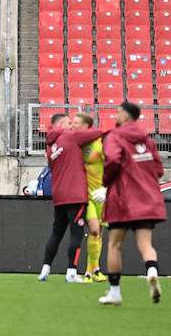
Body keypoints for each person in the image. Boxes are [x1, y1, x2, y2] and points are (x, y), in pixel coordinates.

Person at [95, 101, 165, 306]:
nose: (116, 116)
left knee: (115, 245)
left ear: (125, 116)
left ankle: (115, 292)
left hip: (122, 198)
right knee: (146, 244)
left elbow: (113, 160)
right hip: (145, 198)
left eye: (118, 113)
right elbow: (159, 170)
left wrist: (106, 182)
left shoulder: (115, 136)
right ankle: (152, 271)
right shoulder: (147, 140)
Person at [37, 113, 104, 283]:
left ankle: (45, 270)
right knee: (76, 234)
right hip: (75, 195)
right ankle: (71, 272)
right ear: (60, 123)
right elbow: (95, 133)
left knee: (56, 233)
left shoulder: (50, 146)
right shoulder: (70, 136)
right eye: (69, 122)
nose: (72, 125)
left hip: (59, 195)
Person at [73, 112, 107, 282]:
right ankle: (96, 270)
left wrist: (107, 189)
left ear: (86, 125)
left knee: (98, 234)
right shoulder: (76, 143)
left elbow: (113, 167)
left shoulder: (100, 144)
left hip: (101, 194)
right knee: (93, 229)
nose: (73, 124)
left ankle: (90, 271)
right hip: (86, 196)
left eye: (76, 122)